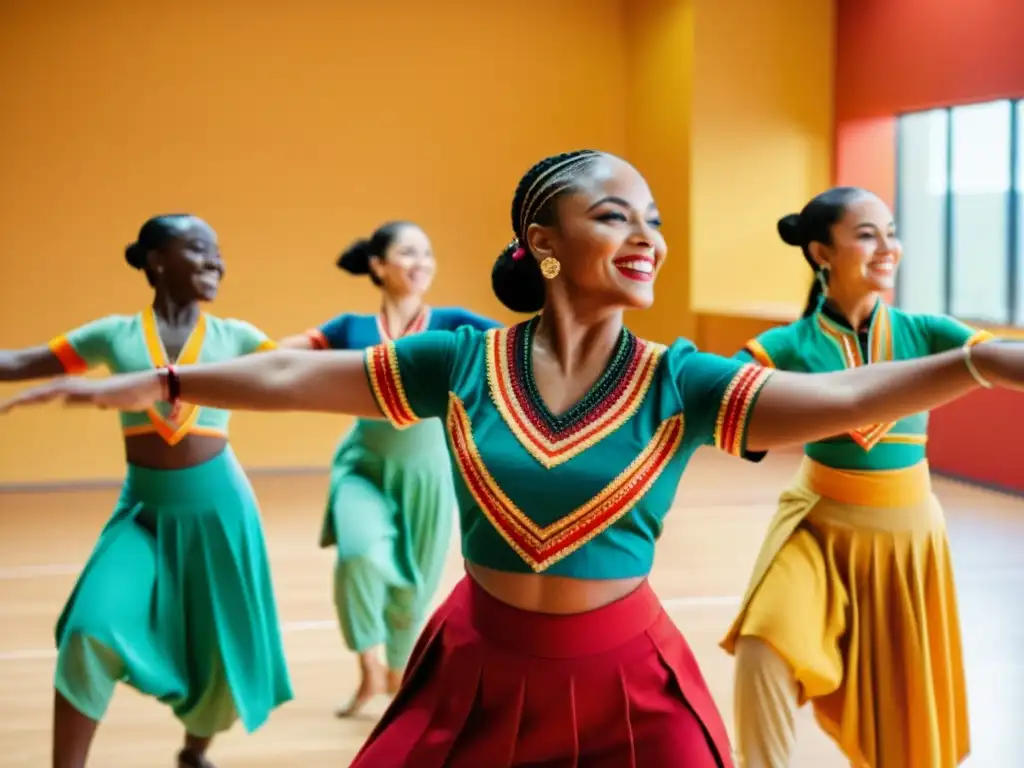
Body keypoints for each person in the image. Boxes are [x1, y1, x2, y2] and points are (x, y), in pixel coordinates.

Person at [2, 153, 1019, 768]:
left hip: (631, 690)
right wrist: (154, 384)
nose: (646, 236)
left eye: (653, 219)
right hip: (474, 677)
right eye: (615, 214)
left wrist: (971, 359)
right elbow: (284, 382)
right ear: (541, 239)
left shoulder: (682, 379)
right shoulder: (461, 361)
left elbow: (838, 398)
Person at [0, 214, 293, 768]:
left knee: (218, 653)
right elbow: (21, 361)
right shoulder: (114, 334)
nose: (216, 262)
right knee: (89, 630)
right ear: (157, 261)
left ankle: (193, 752)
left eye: (219, 252)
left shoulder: (241, 338)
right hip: (144, 514)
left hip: (220, 512)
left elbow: (303, 374)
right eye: (199, 249)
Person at [720, 187, 991, 768]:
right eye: (867, 235)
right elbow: (716, 402)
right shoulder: (783, 346)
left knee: (903, 720)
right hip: (815, 525)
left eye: (891, 232)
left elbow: (992, 359)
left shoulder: (927, 331)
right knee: (761, 643)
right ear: (822, 252)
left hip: (907, 540)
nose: (887, 247)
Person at [277, 221, 499, 716]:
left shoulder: (454, 322)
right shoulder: (348, 329)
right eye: (408, 253)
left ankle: (397, 672)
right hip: (363, 464)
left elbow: (525, 350)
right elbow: (277, 357)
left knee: (415, 583)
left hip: (431, 470)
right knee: (359, 554)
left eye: (428, 252)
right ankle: (369, 666)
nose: (421, 262)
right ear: (378, 265)